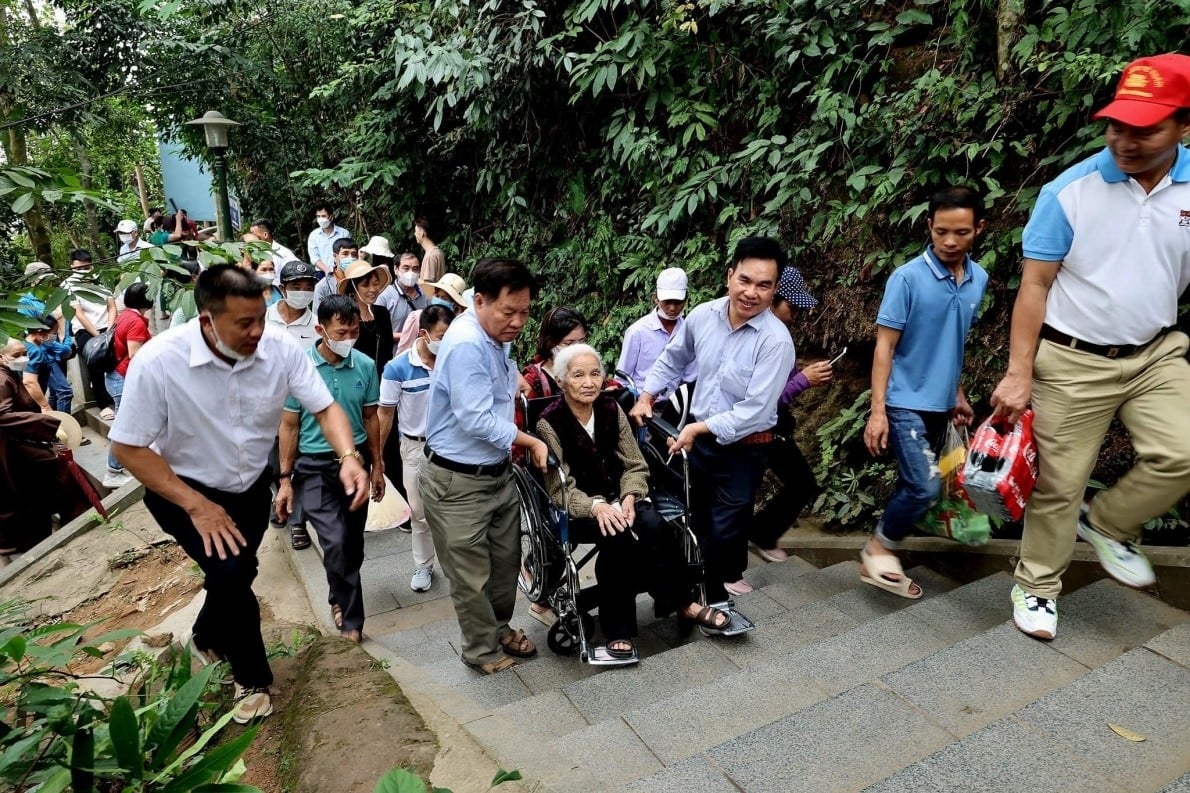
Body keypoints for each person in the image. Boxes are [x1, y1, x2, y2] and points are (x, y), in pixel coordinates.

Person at [108, 264, 369, 724]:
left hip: (249, 489)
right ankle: (251, 676)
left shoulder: (280, 350)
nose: (256, 333)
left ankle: (206, 635)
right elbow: (127, 447)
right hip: (181, 490)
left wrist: (349, 454)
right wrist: (197, 505)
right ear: (207, 320)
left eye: (260, 320)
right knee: (230, 572)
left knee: (240, 568)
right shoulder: (159, 362)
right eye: (243, 324)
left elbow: (324, 407)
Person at [990, 54, 1190, 641]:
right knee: (1058, 483)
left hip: (1155, 352)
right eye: (1116, 125)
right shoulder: (1068, 192)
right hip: (1073, 359)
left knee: (1183, 451)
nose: (1125, 140)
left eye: (1145, 128)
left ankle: (1107, 523)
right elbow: (1035, 285)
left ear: (1183, 126)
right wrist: (1019, 372)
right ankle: (1035, 587)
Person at [537, 344, 731, 657]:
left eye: (595, 373)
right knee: (617, 541)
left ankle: (682, 603)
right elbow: (560, 488)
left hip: (623, 493)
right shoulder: (549, 423)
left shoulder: (612, 409)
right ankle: (619, 629)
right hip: (584, 506)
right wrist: (596, 506)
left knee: (656, 525)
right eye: (578, 375)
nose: (589, 382)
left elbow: (635, 464)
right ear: (562, 382)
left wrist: (630, 495)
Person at [629, 236, 794, 602]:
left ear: (774, 289)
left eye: (764, 285)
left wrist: (696, 428)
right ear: (730, 275)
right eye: (745, 280)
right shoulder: (703, 316)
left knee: (725, 530)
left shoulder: (776, 342)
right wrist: (645, 396)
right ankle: (700, 596)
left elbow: (756, 410)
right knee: (696, 520)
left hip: (745, 451)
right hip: (700, 445)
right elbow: (673, 358)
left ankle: (714, 597)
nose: (752, 292)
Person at [419, 257, 549, 675]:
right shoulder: (467, 344)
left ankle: (499, 627)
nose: (517, 322)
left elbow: (497, 375)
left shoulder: (494, 335)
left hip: (495, 472)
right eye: (508, 312)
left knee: (505, 563)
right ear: (479, 302)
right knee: (470, 575)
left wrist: (514, 381)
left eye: (525, 312)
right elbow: (474, 418)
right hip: (456, 481)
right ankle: (480, 649)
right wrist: (528, 440)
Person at [861, 187, 987, 598]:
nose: (950, 241)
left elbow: (952, 342)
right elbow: (885, 347)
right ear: (929, 227)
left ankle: (881, 555)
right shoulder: (907, 278)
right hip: (903, 402)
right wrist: (877, 411)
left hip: (941, 404)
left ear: (978, 230)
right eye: (942, 232)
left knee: (914, 482)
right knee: (925, 486)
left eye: (962, 233)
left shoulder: (978, 279)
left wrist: (959, 394)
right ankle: (879, 548)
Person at [276, 296, 384, 642]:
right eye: (342, 330)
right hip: (314, 467)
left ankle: (338, 595)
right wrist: (285, 479)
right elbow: (289, 427)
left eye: (354, 330)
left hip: (356, 465)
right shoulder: (300, 370)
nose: (349, 336)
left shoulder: (365, 366)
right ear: (320, 329)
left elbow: (371, 418)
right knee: (334, 541)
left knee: (353, 546)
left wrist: (378, 465)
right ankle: (352, 622)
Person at [750, 266, 834, 562]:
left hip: (774, 425)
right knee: (801, 483)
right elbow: (762, 398)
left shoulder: (778, 334)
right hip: (760, 426)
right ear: (772, 301)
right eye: (792, 305)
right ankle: (757, 536)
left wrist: (802, 375)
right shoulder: (761, 336)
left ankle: (758, 533)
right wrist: (803, 380)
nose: (796, 313)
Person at [378, 304, 455, 592]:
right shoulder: (398, 368)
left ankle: (457, 565)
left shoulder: (454, 360)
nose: (446, 341)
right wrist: (378, 458)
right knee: (419, 511)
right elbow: (385, 413)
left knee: (454, 509)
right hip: (414, 448)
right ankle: (423, 565)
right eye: (441, 335)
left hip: (451, 447)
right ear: (423, 334)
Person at [265, 260, 321, 548]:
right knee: (273, 463)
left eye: (308, 288)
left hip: (300, 408)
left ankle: (299, 522)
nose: (302, 292)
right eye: (296, 287)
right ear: (281, 288)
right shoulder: (262, 320)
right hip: (263, 406)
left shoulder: (316, 326)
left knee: (296, 464)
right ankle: (280, 504)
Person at [102, 282, 155, 489]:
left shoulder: (125, 315)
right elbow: (135, 355)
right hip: (123, 378)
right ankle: (113, 471)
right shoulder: (136, 321)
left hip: (115, 375)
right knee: (124, 427)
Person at [617, 267, 697, 393]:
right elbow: (622, 376)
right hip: (640, 403)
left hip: (676, 404)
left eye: (678, 302)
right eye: (667, 302)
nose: (672, 308)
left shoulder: (689, 331)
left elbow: (690, 375)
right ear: (656, 298)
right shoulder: (637, 332)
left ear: (686, 299)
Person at [63, 249, 117, 418]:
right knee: (96, 360)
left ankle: (119, 395)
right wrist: (98, 336)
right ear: (72, 266)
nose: (83, 271)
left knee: (120, 357)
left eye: (86, 268)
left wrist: (109, 329)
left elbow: (112, 306)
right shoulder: (68, 285)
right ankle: (103, 403)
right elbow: (79, 313)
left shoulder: (101, 280)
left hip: (108, 326)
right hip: (85, 329)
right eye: (78, 268)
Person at [393, 273, 468, 356]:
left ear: (454, 305)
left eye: (444, 298)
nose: (439, 300)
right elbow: (403, 351)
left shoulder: (458, 324)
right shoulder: (417, 317)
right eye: (437, 296)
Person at [523, 307, 589, 399]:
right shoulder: (534, 381)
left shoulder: (590, 370)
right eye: (569, 344)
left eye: (582, 342)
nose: (577, 349)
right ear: (550, 342)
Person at [380, 252, 428, 344]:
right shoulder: (384, 296)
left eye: (415, 269)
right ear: (396, 269)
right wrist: (411, 335)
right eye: (406, 268)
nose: (411, 273)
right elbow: (381, 333)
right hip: (394, 354)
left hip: (419, 353)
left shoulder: (425, 294)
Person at [313, 238, 360, 307]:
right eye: (345, 254)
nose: (350, 257)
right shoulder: (323, 286)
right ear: (335, 257)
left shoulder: (361, 281)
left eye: (354, 254)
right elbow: (317, 316)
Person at [306, 204, 351, 278]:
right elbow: (314, 258)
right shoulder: (313, 235)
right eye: (318, 216)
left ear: (331, 217)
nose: (320, 219)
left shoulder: (343, 233)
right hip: (321, 273)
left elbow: (348, 254)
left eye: (323, 216)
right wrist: (327, 270)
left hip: (342, 271)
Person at [414, 216, 446, 283]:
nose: (415, 234)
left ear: (422, 232)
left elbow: (427, 285)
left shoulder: (430, 256)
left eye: (415, 231)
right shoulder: (437, 252)